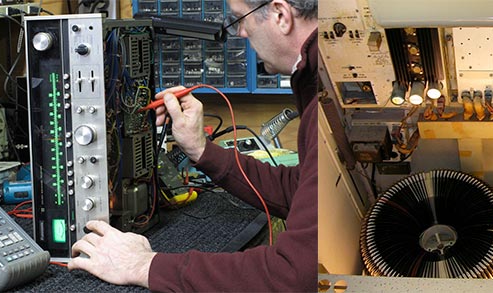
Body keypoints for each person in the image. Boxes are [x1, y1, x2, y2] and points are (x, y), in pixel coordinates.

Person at [65, 0, 321, 290]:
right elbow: (298, 189)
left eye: (240, 19)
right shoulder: (324, 79)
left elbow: (291, 274)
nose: (241, 33)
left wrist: (144, 265)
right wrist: (200, 148)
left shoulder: (326, 102)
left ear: (280, 15)